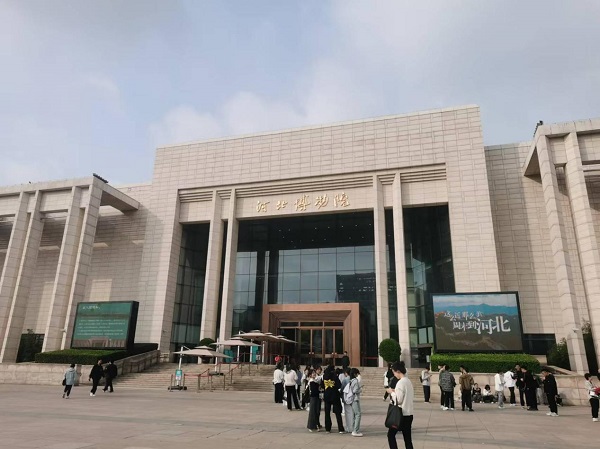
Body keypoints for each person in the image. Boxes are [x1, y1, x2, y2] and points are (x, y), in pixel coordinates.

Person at [386, 360, 414, 449]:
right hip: (409, 413)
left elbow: (399, 400)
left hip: (401, 414)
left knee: (390, 435)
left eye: (394, 372)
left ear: (398, 371)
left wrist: (391, 392)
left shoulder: (400, 382)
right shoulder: (408, 381)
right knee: (407, 439)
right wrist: (395, 391)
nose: (394, 374)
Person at [322, 364, 345, 433]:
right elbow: (339, 385)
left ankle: (327, 428)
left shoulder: (324, 376)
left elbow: (322, 385)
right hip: (334, 396)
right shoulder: (335, 376)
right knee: (338, 413)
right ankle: (340, 428)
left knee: (327, 413)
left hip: (327, 396)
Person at [348, 367, 363, 436]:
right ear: (355, 374)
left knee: (354, 414)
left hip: (351, 399)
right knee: (358, 414)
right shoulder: (355, 381)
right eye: (357, 373)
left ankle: (354, 429)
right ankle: (355, 430)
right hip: (355, 399)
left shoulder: (351, 380)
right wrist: (360, 389)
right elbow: (355, 390)